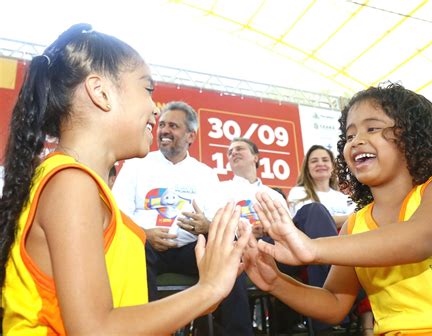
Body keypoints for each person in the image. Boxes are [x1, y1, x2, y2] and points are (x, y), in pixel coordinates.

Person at [0, 23, 251, 335]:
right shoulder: (70, 184)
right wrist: (207, 289)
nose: (153, 109)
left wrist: (209, 291)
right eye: (148, 90)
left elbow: (123, 315)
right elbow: (95, 329)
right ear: (101, 92)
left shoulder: (79, 184)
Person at [244, 83, 432, 335]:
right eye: (350, 136)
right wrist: (276, 282)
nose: (357, 141)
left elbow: (419, 239)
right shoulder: (355, 226)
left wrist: (313, 248)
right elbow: (334, 303)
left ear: (413, 137)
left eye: (372, 128)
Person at [112, 102, 254, 335]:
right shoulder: (136, 164)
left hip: (190, 247)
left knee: (226, 253)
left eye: (173, 126)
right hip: (146, 247)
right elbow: (118, 213)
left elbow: (221, 220)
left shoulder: (205, 173)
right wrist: (144, 234)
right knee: (133, 250)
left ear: (190, 135)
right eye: (163, 125)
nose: (164, 130)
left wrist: (206, 226)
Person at [219, 137, 289, 237]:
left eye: (239, 149)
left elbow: (289, 228)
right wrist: (241, 233)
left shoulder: (275, 195)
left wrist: (269, 230)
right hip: (234, 247)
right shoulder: (219, 189)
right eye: (230, 152)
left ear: (255, 158)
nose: (233, 153)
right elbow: (213, 225)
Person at [288, 144, 355, 229]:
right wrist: (349, 218)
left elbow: (357, 221)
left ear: (333, 166)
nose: (320, 164)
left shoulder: (344, 198)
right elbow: (311, 222)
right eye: (314, 161)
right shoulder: (298, 192)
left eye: (325, 160)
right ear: (307, 168)